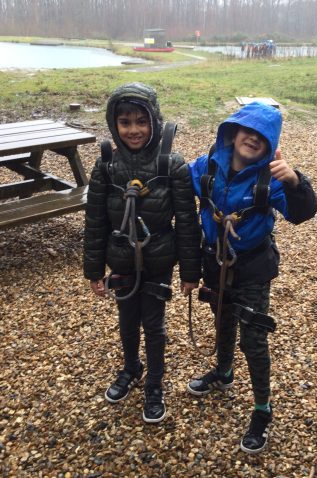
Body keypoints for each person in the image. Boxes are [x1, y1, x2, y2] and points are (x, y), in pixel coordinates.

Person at [186, 101, 317, 453]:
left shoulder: (271, 178)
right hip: (215, 264)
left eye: (262, 135)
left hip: (253, 269)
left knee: (254, 340)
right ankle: (224, 372)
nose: (253, 139)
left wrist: (295, 182)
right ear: (233, 131)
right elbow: (177, 180)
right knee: (222, 321)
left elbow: (303, 213)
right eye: (248, 131)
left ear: (271, 143)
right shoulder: (209, 166)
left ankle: (262, 410)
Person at [83, 82, 201, 423]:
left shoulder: (172, 165)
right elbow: (94, 222)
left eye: (141, 121)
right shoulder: (106, 166)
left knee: (153, 323)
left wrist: (191, 273)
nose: (133, 130)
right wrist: (93, 271)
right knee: (127, 320)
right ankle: (131, 368)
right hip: (120, 258)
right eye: (125, 122)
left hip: (159, 259)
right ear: (113, 124)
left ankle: (154, 383)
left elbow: (187, 222)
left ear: (154, 121)